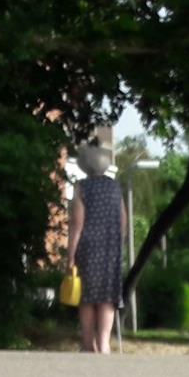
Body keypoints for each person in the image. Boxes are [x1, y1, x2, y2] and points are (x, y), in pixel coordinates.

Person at [65, 142, 124, 355]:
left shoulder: (82, 187)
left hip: (88, 248)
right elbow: (123, 221)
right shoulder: (115, 187)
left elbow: (77, 224)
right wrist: (117, 244)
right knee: (107, 297)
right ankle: (105, 343)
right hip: (111, 249)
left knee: (87, 298)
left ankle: (89, 344)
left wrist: (70, 256)